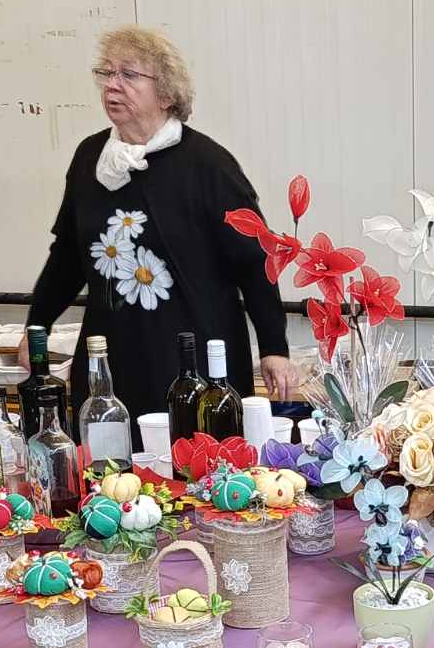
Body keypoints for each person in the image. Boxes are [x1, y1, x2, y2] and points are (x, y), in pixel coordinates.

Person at [24, 26, 292, 422]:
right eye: (106, 73)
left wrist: (273, 347)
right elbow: (67, 257)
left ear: (166, 95)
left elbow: (254, 261)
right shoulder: (90, 158)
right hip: (113, 358)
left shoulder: (208, 164)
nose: (112, 85)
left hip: (192, 360)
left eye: (128, 75)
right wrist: (37, 329)